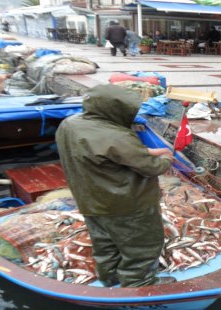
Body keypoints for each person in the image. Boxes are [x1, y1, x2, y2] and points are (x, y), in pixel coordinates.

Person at [56, 85, 175, 287]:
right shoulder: (117, 135)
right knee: (142, 247)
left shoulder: (69, 124)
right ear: (115, 109)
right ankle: (139, 284)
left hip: (90, 200)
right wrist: (166, 159)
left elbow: (103, 153)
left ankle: (109, 278)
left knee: (104, 243)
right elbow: (151, 168)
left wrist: (141, 151)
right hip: (127, 205)